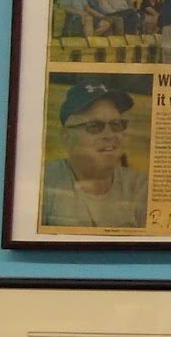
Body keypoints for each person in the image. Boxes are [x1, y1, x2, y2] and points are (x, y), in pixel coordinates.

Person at [40, 80, 147, 229]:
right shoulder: (44, 184)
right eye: (95, 126)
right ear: (67, 137)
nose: (109, 135)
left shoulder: (141, 187)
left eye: (116, 125)